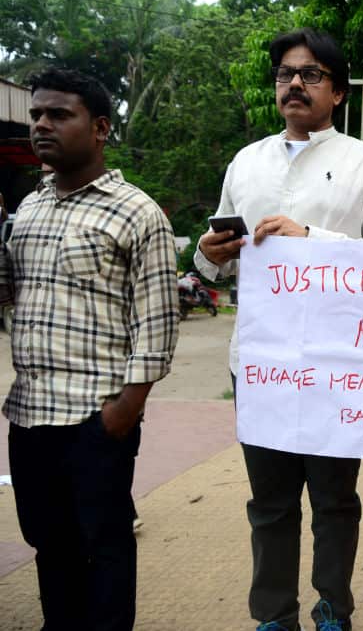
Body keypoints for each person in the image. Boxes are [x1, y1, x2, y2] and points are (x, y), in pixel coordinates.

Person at [195, 28, 363, 631]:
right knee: (269, 502)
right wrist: (210, 250)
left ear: (338, 92)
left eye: (311, 74)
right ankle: (272, 615)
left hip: (338, 363)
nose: (294, 83)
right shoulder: (247, 161)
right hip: (261, 364)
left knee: (334, 500)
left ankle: (332, 610)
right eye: (285, 74)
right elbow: (213, 259)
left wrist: (313, 241)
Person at [1, 68, 179, 629]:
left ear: (100, 127)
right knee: (48, 545)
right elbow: (10, 294)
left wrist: (125, 410)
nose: (41, 126)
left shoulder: (136, 212)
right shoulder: (28, 210)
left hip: (95, 420)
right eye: (36, 115)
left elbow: (157, 324)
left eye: (59, 114)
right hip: (29, 416)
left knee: (104, 546)